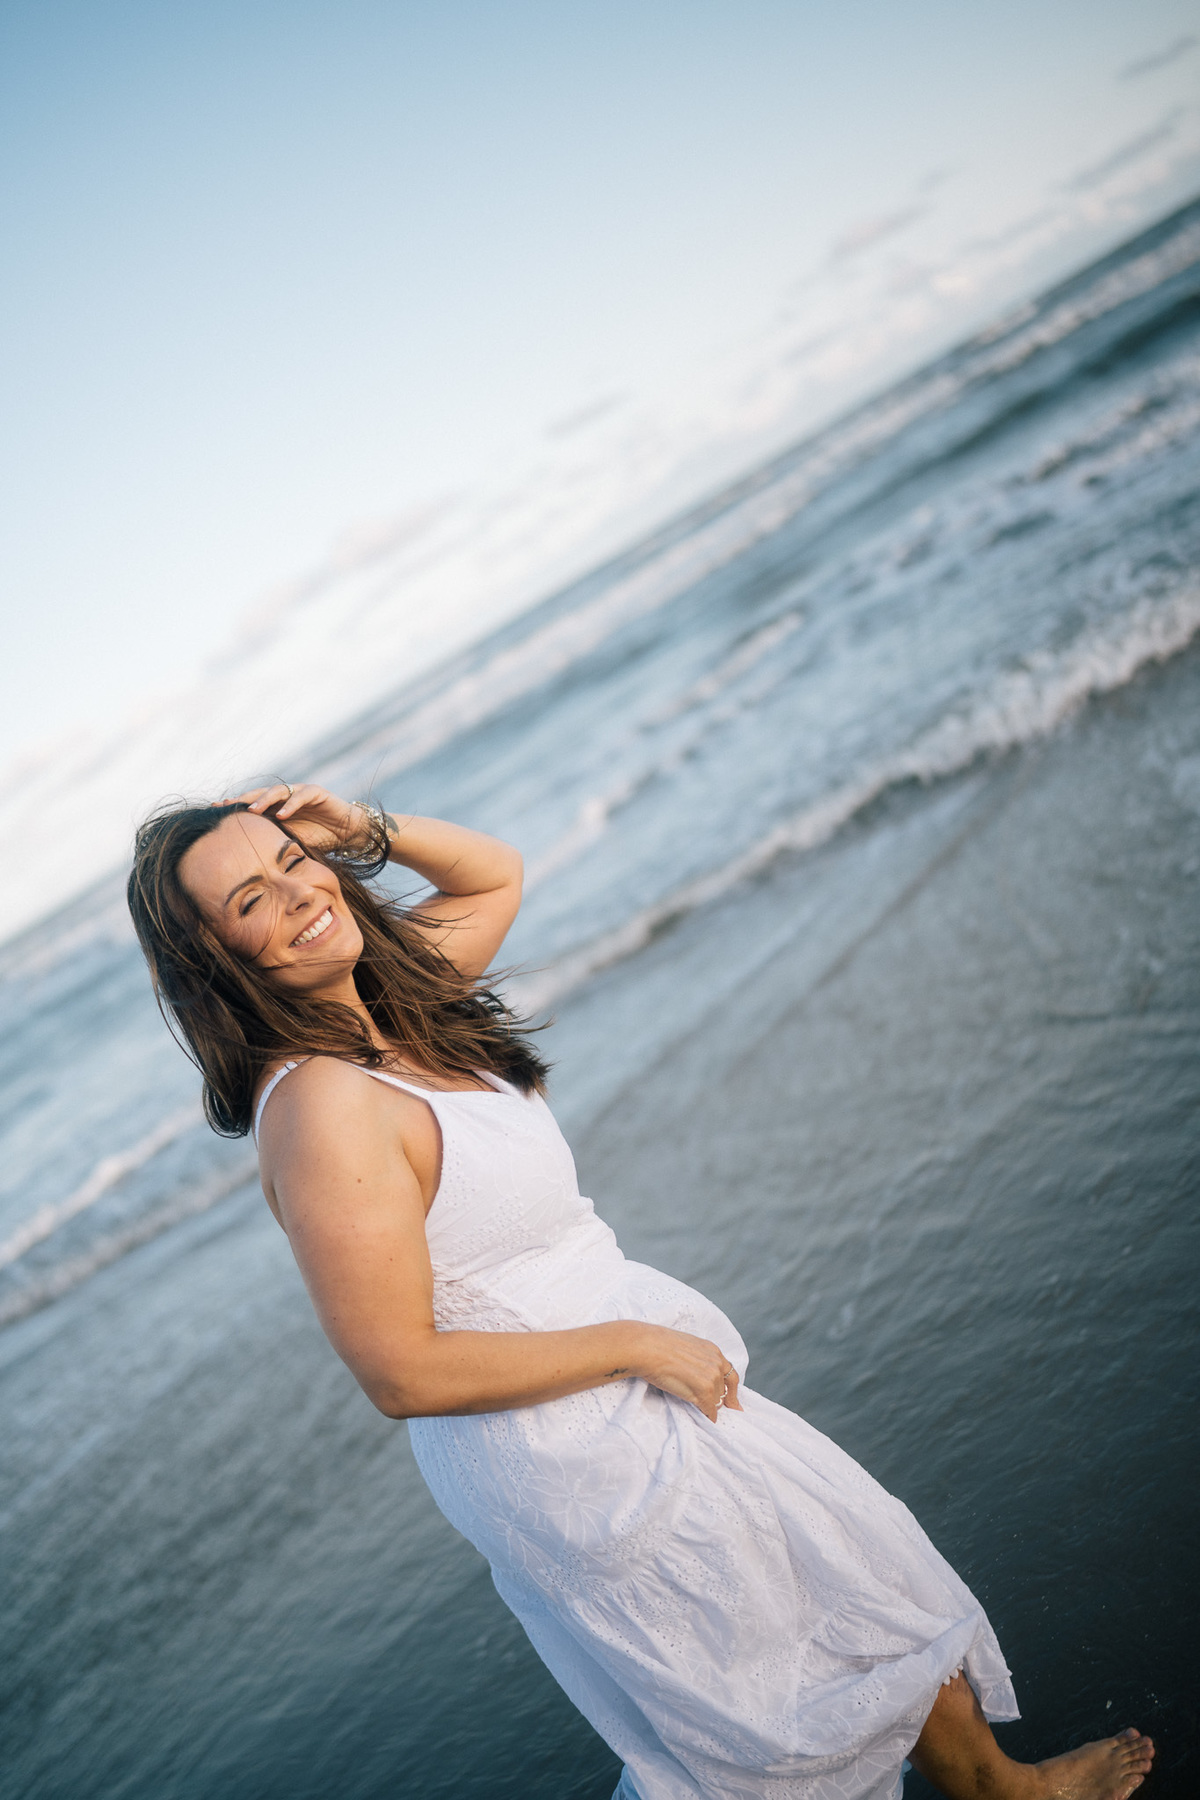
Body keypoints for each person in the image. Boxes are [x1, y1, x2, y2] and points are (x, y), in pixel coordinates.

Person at [127, 783, 1155, 1800]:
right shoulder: (323, 1107)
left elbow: (495, 874)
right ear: (213, 962)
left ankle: (994, 1788)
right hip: (563, 1447)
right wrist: (631, 1343)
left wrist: (362, 828)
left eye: (291, 863)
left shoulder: (393, 1016)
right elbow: (397, 1369)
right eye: (250, 902)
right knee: (759, 1718)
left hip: (620, 1383)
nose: (298, 893)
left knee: (846, 1569)